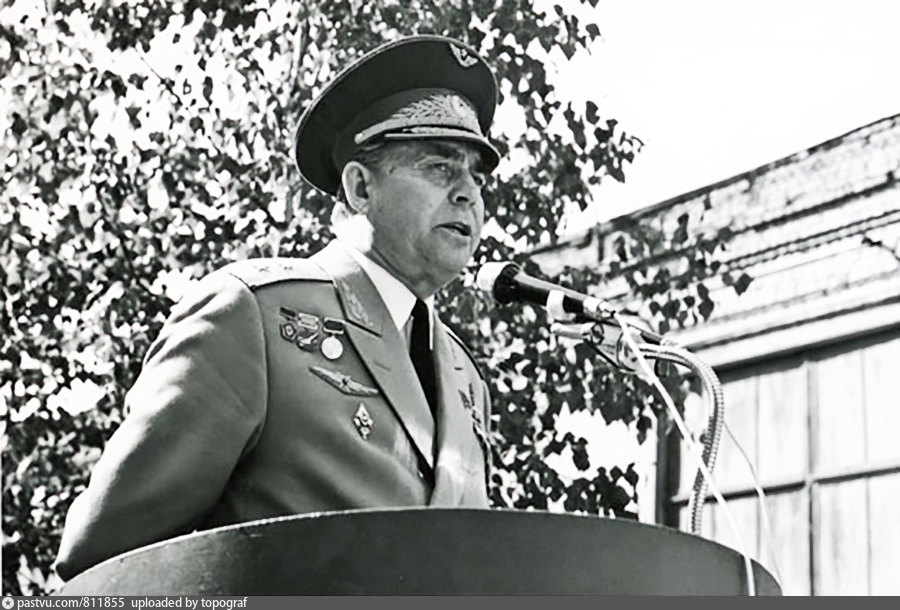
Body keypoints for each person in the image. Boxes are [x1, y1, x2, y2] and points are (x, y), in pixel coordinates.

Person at [55, 35, 500, 580]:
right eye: (439, 167)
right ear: (360, 188)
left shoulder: (464, 377)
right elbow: (103, 562)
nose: (469, 194)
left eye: (477, 177)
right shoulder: (254, 314)